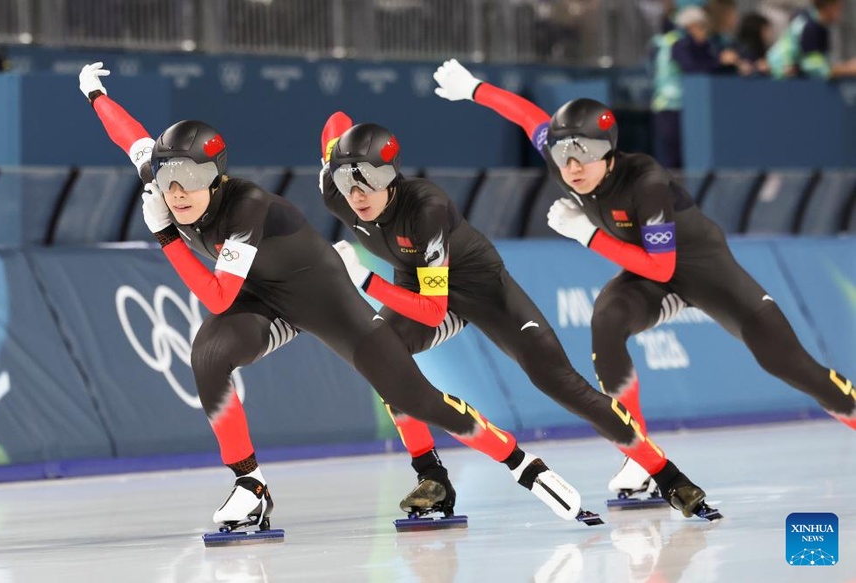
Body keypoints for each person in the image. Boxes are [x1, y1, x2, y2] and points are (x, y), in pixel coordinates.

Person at [77, 62, 605, 531]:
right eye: (167, 180)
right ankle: (250, 487)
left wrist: (167, 238)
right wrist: (96, 97)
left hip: (322, 297)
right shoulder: (164, 178)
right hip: (259, 298)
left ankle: (522, 465)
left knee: (412, 395)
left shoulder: (246, 207)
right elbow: (134, 140)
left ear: (218, 180)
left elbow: (216, 297)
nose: (176, 192)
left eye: (190, 180)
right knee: (209, 355)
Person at [431, 58, 856, 499]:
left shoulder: (645, 180)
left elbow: (663, 268)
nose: (572, 166)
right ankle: (640, 457)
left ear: (610, 154)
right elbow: (528, 117)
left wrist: (588, 234)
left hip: (702, 271)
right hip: (651, 275)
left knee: (789, 364)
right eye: (562, 154)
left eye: (585, 154)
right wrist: (476, 88)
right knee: (607, 320)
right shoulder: (563, 157)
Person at [318, 113, 715, 519]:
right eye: (346, 181)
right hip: (418, 286)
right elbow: (334, 127)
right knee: (381, 355)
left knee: (562, 384)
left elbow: (434, 311)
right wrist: (338, 144)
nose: (357, 194)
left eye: (367, 179)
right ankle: (431, 476)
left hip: (486, 294)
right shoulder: (336, 192)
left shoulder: (426, 209)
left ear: (391, 175)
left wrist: (367, 281)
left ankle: (668, 476)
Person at [649, 6, 742, 168]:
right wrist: (720, 61)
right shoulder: (679, 43)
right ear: (692, 26)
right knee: (673, 158)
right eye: (703, 27)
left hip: (673, 106)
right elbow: (692, 67)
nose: (705, 33)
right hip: (671, 106)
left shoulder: (671, 41)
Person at [767, 0, 856, 79]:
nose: (841, 12)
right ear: (829, 7)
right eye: (839, 7)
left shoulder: (819, 26)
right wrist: (847, 68)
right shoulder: (810, 27)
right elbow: (814, 68)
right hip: (777, 78)